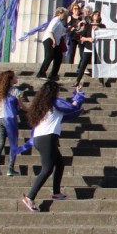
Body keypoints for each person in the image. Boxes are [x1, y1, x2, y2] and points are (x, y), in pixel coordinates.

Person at [21, 82, 85, 212]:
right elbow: (71, 107)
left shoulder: (44, 105)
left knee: (59, 164)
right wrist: (78, 96)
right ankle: (30, 197)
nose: (59, 93)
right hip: (47, 138)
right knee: (47, 169)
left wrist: (78, 106)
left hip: (42, 138)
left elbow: (64, 116)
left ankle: (56, 192)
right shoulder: (54, 102)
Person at [0, 70, 28, 177]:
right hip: (10, 119)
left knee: (0, 143)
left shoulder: (0, 91)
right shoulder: (15, 91)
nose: (17, 78)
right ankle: (10, 169)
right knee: (13, 144)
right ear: (11, 80)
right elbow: (22, 106)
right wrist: (29, 110)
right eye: (15, 77)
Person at [74, 13, 106, 88]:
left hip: (97, 48)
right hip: (88, 47)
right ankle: (77, 81)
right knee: (83, 64)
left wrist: (99, 29)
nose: (96, 16)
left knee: (98, 65)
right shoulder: (88, 26)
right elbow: (82, 37)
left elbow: (105, 35)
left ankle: (102, 82)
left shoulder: (102, 26)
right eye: (95, 14)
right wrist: (88, 39)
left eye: (98, 15)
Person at [35, 7, 68, 81]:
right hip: (50, 40)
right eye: (64, 15)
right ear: (59, 13)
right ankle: (41, 73)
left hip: (56, 42)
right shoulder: (56, 20)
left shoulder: (60, 22)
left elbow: (64, 31)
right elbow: (50, 31)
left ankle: (53, 74)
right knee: (49, 56)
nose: (65, 16)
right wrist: (53, 40)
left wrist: (74, 26)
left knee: (58, 57)